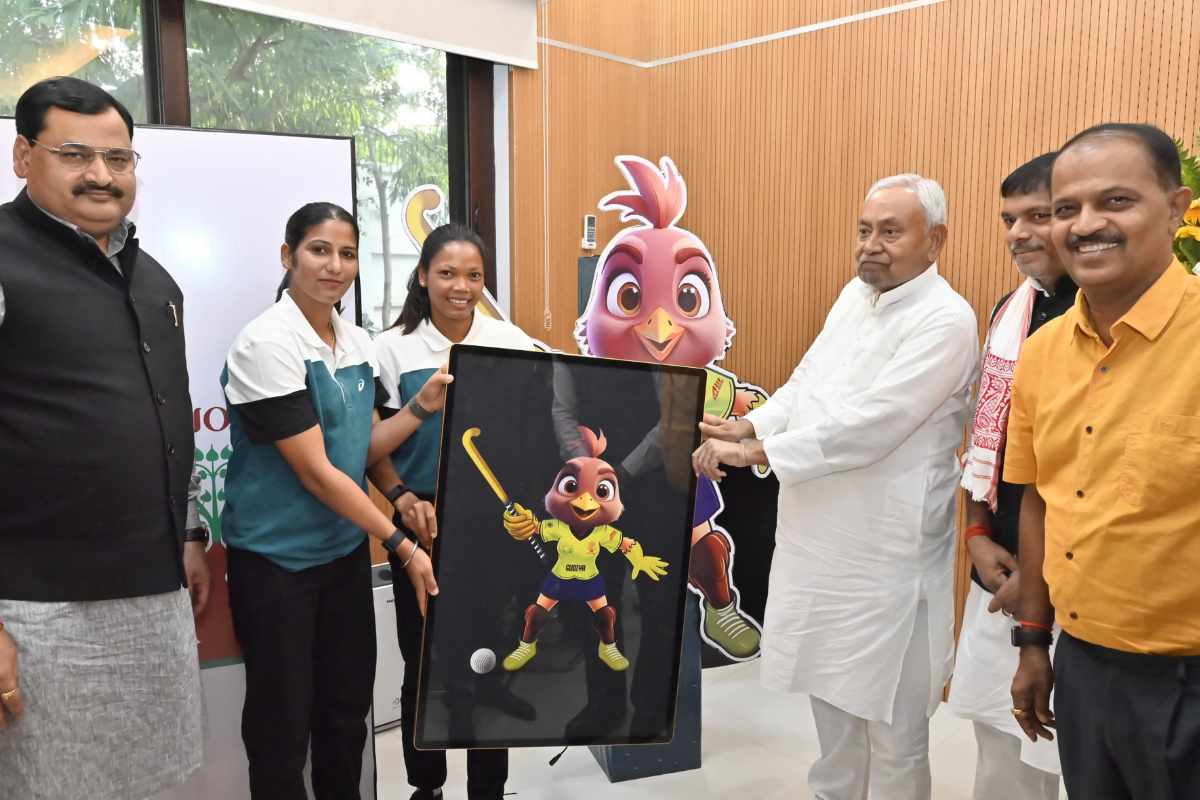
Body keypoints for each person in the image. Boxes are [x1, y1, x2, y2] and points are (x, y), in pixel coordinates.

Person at [693, 174, 979, 799]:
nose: (871, 246)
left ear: (936, 241)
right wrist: (750, 421)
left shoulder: (946, 320)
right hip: (818, 546)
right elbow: (806, 381)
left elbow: (873, 427)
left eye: (890, 232)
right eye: (864, 230)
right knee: (833, 716)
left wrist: (757, 451)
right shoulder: (855, 296)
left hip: (886, 559)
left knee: (895, 731)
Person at [0, 77, 208, 799]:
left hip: (152, 594)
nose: (101, 175)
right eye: (75, 154)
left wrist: (187, 532)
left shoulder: (156, 283)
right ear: (24, 157)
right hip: (34, 608)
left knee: (144, 782)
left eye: (119, 160)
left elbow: (167, 416)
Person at [220, 202, 442, 799]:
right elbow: (319, 473)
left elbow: (364, 446)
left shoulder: (356, 341)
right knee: (281, 729)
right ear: (289, 256)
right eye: (319, 250)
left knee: (346, 715)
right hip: (276, 564)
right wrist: (399, 540)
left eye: (347, 254)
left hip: (340, 555)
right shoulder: (266, 343)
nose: (335, 265)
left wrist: (412, 444)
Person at [1007, 123, 1200, 799]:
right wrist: (1034, 642)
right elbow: (1039, 498)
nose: (1086, 225)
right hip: (1081, 666)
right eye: (1067, 209)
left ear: (1176, 208)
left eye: (1115, 202)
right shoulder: (1043, 350)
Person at [373, 222, 534, 800]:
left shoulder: (512, 343)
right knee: (425, 656)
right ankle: (427, 784)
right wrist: (401, 498)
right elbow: (375, 448)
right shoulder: (389, 350)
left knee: (495, 645)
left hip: (495, 528)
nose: (460, 286)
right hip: (423, 525)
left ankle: (488, 785)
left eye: (473, 276)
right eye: (446, 273)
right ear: (423, 277)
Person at [949, 153, 1068, 800]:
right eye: (1010, 219)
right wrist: (974, 536)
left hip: (1075, 585)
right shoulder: (1011, 311)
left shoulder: (1102, 316)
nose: (1018, 233)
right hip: (997, 567)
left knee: (1073, 754)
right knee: (1000, 753)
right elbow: (987, 444)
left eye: (1039, 216)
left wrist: (1040, 577)